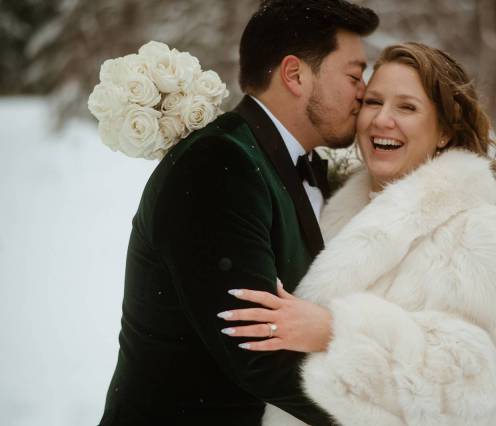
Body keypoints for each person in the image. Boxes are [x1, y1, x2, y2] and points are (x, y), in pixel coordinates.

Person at [220, 42, 496, 425]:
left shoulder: (486, 233)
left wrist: (337, 331)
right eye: (373, 102)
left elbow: (473, 386)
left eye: (406, 107)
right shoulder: (335, 212)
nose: (381, 120)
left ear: (444, 131)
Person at [98, 1, 379, 425]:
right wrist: (392, 412)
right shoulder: (217, 166)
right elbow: (257, 353)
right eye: (355, 75)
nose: (366, 91)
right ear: (295, 75)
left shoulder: (287, 164)